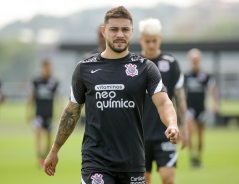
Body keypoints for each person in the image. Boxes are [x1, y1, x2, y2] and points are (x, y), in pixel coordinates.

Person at [44, 6, 180, 184]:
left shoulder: (146, 68)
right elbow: (72, 110)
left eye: (125, 29)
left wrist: (172, 124)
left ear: (132, 31)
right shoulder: (84, 68)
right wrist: (55, 150)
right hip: (96, 161)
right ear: (104, 31)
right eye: (114, 29)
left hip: (133, 161)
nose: (120, 35)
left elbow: (163, 103)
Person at [139, 18, 188, 184]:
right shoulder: (133, 65)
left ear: (160, 39)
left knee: (168, 179)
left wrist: (184, 128)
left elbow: (179, 97)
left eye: (154, 41)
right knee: (143, 181)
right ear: (141, 40)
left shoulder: (171, 63)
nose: (151, 45)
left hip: (165, 134)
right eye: (147, 41)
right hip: (139, 136)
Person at [185, 48, 218, 168]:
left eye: (197, 59)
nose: (195, 61)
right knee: (189, 132)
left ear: (200, 60)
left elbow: (212, 89)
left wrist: (215, 103)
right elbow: (181, 92)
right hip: (189, 108)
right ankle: (191, 156)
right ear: (189, 60)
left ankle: (198, 158)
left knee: (200, 135)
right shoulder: (186, 75)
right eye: (193, 59)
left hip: (201, 109)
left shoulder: (205, 76)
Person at [27, 60, 59, 167]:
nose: (49, 71)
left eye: (50, 69)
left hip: (49, 113)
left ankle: (46, 156)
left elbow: (58, 97)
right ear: (43, 68)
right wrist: (29, 112)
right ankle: (40, 157)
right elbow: (31, 97)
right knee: (39, 133)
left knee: (49, 136)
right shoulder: (36, 81)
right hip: (39, 113)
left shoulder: (54, 82)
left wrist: (59, 112)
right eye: (47, 69)